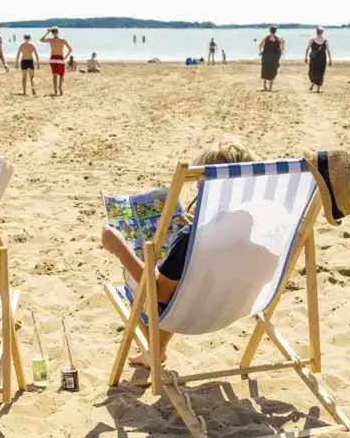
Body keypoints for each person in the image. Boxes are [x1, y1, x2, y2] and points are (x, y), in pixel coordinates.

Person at [100, 138, 259, 367]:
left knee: (135, 272)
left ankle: (154, 349)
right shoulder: (250, 225)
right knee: (182, 281)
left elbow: (160, 293)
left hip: (190, 315)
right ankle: (157, 349)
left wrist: (119, 248)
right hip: (234, 306)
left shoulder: (189, 237)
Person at [40, 26, 72, 96]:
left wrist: (47, 33)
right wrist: (66, 56)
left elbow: (41, 40)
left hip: (53, 58)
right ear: (58, 32)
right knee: (61, 75)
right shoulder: (63, 40)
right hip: (60, 58)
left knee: (54, 75)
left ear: (52, 33)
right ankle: (60, 86)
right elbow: (70, 49)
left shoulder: (51, 40)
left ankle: (55, 89)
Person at [304, 27, 332, 93]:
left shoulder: (312, 40)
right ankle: (318, 89)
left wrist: (305, 57)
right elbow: (328, 51)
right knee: (320, 72)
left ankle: (313, 82)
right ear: (322, 32)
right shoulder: (325, 41)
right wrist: (330, 60)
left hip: (314, 58)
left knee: (312, 71)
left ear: (316, 32)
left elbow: (307, 49)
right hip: (322, 59)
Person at [259, 26, 283, 91]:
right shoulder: (278, 39)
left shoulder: (266, 38)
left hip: (266, 56)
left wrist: (260, 52)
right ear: (275, 31)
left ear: (270, 31)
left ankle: (264, 87)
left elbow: (260, 46)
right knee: (273, 70)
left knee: (265, 70)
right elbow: (281, 49)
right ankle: (270, 88)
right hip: (275, 57)